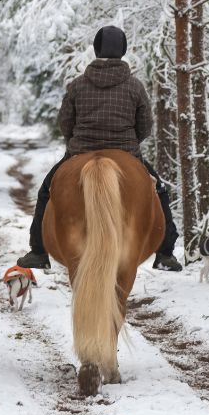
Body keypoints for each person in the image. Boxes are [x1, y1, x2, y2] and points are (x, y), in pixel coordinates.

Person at [17, 25, 183, 272]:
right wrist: (129, 146)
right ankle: (165, 252)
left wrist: (75, 143)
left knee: (46, 191)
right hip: (126, 150)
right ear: (123, 51)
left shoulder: (77, 85)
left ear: (96, 49)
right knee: (159, 190)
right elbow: (145, 126)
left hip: (80, 150)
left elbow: (65, 122)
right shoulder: (135, 86)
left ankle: (39, 251)